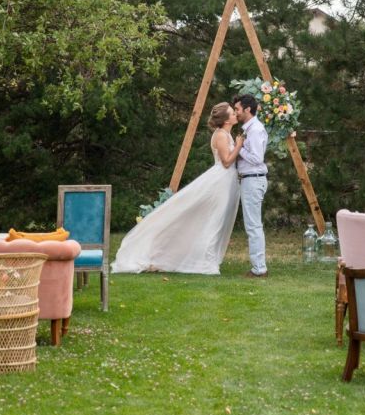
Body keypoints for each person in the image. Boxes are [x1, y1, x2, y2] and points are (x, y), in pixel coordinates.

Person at [111, 102, 243, 274]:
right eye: (232, 113)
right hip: (220, 181)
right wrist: (239, 145)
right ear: (226, 120)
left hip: (227, 181)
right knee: (214, 220)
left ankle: (207, 258)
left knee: (218, 219)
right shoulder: (220, 135)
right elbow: (226, 162)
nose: (235, 115)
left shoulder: (226, 134)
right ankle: (205, 262)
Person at [233, 93, 269, 278]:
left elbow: (257, 158)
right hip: (250, 179)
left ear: (247, 109)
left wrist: (238, 148)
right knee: (252, 225)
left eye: (237, 109)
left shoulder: (255, 129)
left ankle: (259, 268)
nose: (235, 112)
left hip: (253, 179)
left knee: (253, 226)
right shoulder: (248, 128)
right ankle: (258, 266)